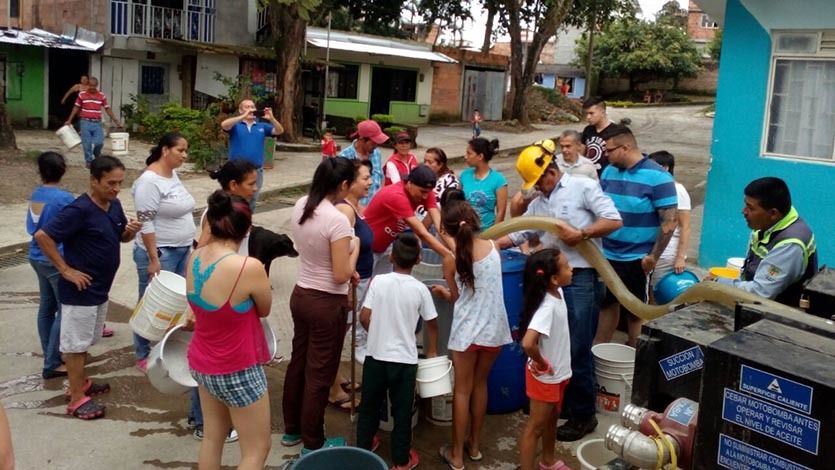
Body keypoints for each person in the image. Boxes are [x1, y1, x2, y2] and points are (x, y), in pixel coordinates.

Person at [496, 142, 622, 442]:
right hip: (552, 282)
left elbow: (614, 220)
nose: (537, 188)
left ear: (550, 172)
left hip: (581, 277)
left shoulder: (583, 187)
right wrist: (488, 245)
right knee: (555, 345)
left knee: (577, 348)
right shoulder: (541, 202)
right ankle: (558, 402)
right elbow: (523, 230)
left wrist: (583, 233)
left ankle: (583, 414)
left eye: (538, 182)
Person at [34, 156, 142, 419]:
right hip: (80, 291)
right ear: (94, 180)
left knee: (86, 341)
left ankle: (81, 382)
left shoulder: (114, 205)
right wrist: (65, 270)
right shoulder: (79, 210)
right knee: (75, 345)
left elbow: (119, 236)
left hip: (100, 289)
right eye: (110, 183)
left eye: (119, 183)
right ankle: (76, 398)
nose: (116, 189)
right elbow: (43, 236)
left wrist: (130, 231)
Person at [186, 191, 272, 469]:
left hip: (202, 363)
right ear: (248, 228)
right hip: (237, 368)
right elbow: (265, 309)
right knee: (256, 450)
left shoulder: (194, 257)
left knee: (213, 438)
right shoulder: (248, 267)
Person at [282, 157, 360, 453]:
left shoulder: (302, 204)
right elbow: (341, 274)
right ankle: (313, 443)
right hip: (326, 303)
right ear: (343, 185)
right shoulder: (337, 220)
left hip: (302, 294)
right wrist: (354, 250)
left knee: (299, 363)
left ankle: (292, 430)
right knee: (320, 374)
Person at [434, 202, 512, 470]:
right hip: (494, 329)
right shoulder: (494, 248)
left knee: (462, 390)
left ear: (448, 230)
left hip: (467, 332)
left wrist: (444, 293)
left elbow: (458, 298)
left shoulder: (451, 259)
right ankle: (475, 446)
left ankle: (456, 455)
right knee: (480, 384)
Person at [357, 233, 438, 470]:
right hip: (404, 362)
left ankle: (363, 449)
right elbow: (432, 322)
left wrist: (376, 333)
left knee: (369, 405)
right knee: (402, 412)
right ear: (419, 259)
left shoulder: (378, 282)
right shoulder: (420, 289)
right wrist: (432, 351)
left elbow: (364, 316)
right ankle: (401, 461)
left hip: (375, 357)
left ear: (391, 257)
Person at [595, 125, 677, 347]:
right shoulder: (609, 171)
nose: (606, 155)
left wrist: (653, 257)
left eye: (609, 150)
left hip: (637, 258)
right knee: (606, 305)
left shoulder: (659, 178)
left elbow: (669, 222)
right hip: (606, 255)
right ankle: (599, 351)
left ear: (626, 147)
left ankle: (636, 354)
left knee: (636, 311)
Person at [132, 132, 196, 372]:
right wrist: (153, 258)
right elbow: (145, 222)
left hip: (182, 248)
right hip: (162, 252)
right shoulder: (149, 182)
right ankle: (142, 352)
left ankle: (166, 348)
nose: (185, 155)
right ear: (165, 150)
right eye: (180, 150)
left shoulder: (172, 174)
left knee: (176, 303)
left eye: (186, 150)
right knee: (151, 304)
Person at [713, 177, 817, 307]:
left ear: (773, 213)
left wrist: (719, 284)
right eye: (745, 205)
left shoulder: (790, 245)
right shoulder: (767, 224)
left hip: (777, 314)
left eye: (750, 208)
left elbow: (760, 292)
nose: (744, 211)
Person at [518, 249, 574, 470]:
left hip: (559, 373)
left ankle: (548, 461)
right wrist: (541, 363)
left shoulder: (558, 292)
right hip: (546, 378)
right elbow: (528, 343)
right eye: (567, 267)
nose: (572, 269)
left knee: (552, 418)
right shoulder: (547, 307)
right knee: (536, 427)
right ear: (554, 278)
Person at [329, 160, 374, 410]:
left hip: (361, 280)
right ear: (349, 183)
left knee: (343, 332)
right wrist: (347, 287)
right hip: (351, 282)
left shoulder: (357, 207)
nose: (370, 182)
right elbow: (342, 251)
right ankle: (333, 390)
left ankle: (337, 378)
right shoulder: (345, 211)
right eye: (365, 178)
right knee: (337, 335)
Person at [27, 152, 75, 380]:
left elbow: (34, 227)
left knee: (47, 307)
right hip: (56, 258)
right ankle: (53, 361)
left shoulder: (36, 194)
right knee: (65, 310)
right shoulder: (65, 199)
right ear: (63, 169)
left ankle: (50, 354)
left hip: (37, 256)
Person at [364, 165, 451, 276]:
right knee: (364, 284)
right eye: (422, 192)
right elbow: (421, 232)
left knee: (384, 281)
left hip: (386, 245)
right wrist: (447, 255)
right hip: (367, 247)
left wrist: (455, 251)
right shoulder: (396, 195)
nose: (425, 196)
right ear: (409, 183)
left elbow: (439, 225)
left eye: (428, 192)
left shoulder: (426, 192)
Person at [220, 99, 284, 211]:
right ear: (240, 110)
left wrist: (272, 119)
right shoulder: (236, 126)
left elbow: (279, 131)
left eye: (252, 107)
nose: (250, 109)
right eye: (247, 107)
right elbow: (224, 125)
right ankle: (231, 218)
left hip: (256, 170)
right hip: (236, 170)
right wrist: (243, 116)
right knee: (232, 196)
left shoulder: (262, 126)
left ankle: (247, 218)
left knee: (252, 198)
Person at [648, 151, 692, 294]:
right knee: (647, 291)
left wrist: (680, 258)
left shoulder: (678, 190)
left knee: (658, 291)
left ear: (665, 168)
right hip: (651, 252)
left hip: (667, 255)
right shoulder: (654, 188)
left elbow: (685, 226)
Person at [64, 77, 122, 168]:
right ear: (88, 85)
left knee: (99, 142)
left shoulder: (101, 95)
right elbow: (76, 107)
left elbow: (107, 108)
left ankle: (96, 153)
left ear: (97, 86)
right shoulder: (82, 95)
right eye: (90, 85)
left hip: (97, 123)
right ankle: (89, 161)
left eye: (94, 86)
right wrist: (69, 120)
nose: (92, 88)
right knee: (87, 143)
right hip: (85, 122)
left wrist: (116, 120)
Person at [459, 137, 508, 230]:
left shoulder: (498, 180)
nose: (465, 156)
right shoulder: (464, 175)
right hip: (466, 232)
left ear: (480, 156)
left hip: (488, 232)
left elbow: (501, 212)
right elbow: (457, 203)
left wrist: (493, 235)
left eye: (469, 153)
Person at [339, 119, 389, 207]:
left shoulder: (376, 153)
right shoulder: (345, 157)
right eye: (373, 143)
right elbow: (341, 190)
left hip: (374, 207)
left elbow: (380, 177)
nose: (376, 145)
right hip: (354, 209)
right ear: (362, 139)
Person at [581, 97, 615, 175]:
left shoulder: (615, 131)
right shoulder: (588, 130)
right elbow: (581, 155)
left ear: (602, 113)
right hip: (589, 175)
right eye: (586, 114)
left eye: (591, 113)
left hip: (607, 176)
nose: (588, 117)